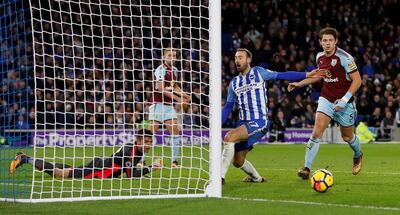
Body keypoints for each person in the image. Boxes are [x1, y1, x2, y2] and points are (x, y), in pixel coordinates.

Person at [221, 48, 320, 184]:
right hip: (242, 124)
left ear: (248, 60)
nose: (237, 60)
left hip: (258, 121)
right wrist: (217, 124)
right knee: (238, 162)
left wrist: (307, 74)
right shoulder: (234, 83)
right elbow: (227, 107)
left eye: (240, 57)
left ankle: (219, 178)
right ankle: (257, 178)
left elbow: (283, 75)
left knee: (229, 137)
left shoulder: (259, 72)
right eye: (236, 58)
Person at [288, 27, 363, 179]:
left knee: (347, 137)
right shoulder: (320, 57)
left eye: (330, 40)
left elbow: (358, 80)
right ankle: (307, 168)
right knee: (316, 132)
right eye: (324, 40)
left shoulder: (345, 58)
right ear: (320, 42)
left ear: (336, 41)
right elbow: (319, 76)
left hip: (346, 103)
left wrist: (344, 100)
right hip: (326, 99)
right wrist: (299, 83)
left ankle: (358, 154)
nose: (327, 43)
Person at [9, 129, 162, 178]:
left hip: (100, 165)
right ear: (139, 140)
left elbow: (131, 166)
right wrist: (151, 168)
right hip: (98, 170)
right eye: (147, 141)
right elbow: (131, 175)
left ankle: (27, 159)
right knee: (59, 173)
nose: (149, 144)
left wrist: (143, 166)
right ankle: (25, 158)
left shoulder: (136, 150)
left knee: (69, 169)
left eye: (150, 141)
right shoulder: (131, 151)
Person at [148, 48, 190, 168]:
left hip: (168, 106)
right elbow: (161, 89)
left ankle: (174, 162)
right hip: (157, 104)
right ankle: (140, 160)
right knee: (151, 133)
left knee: (175, 130)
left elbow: (174, 86)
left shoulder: (175, 70)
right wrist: (178, 99)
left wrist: (184, 94)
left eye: (174, 55)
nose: (172, 57)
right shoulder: (161, 70)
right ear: (164, 56)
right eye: (169, 55)